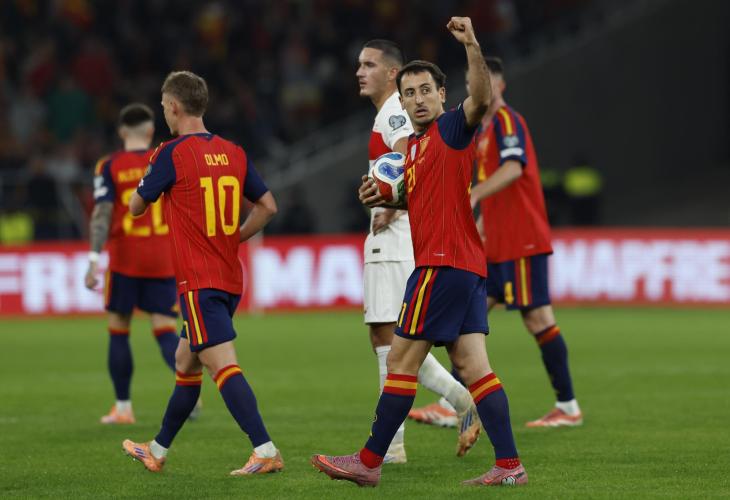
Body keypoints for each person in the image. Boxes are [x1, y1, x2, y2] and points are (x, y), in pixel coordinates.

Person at [312, 18, 527, 487]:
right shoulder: (414, 148)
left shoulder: (452, 128)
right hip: (466, 267)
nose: (418, 99)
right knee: (473, 368)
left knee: (399, 362)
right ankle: (510, 466)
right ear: (403, 101)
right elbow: (422, 199)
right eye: (409, 94)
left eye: (426, 90)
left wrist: (471, 44)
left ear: (442, 94)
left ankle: (369, 461)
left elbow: (481, 98)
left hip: (441, 265)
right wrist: (384, 198)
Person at [122, 71, 282, 475]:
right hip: (228, 276)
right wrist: (233, 237)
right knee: (185, 361)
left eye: (164, 106)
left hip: (198, 281)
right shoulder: (234, 152)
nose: (164, 113)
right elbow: (268, 206)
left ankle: (265, 449)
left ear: (174, 106)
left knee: (222, 366)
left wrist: (148, 178)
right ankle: (156, 450)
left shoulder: (170, 153)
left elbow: (136, 207)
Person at [356, 38, 480, 463]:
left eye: (369, 65)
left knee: (387, 337)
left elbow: (410, 153)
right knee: (400, 339)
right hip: (404, 234)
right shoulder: (391, 110)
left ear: (392, 73)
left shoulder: (394, 111)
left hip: (394, 237)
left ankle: (393, 446)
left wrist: (394, 201)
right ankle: (459, 400)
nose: (360, 72)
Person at [469, 56, 583, 427]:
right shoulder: (484, 130)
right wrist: (483, 221)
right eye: (472, 82)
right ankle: (454, 403)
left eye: (485, 81)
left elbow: (514, 168)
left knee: (537, 319)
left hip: (520, 239)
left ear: (500, 86)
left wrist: (474, 194)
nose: (477, 87)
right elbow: (498, 188)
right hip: (497, 241)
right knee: (468, 317)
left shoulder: (506, 121)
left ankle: (567, 406)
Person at [85, 103, 182, 425]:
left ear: (121, 132)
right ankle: (190, 392)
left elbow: (102, 214)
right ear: (151, 131)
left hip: (125, 259)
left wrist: (93, 259)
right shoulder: (167, 157)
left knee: (118, 330)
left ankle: (124, 408)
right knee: (165, 330)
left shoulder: (109, 165)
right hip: (164, 258)